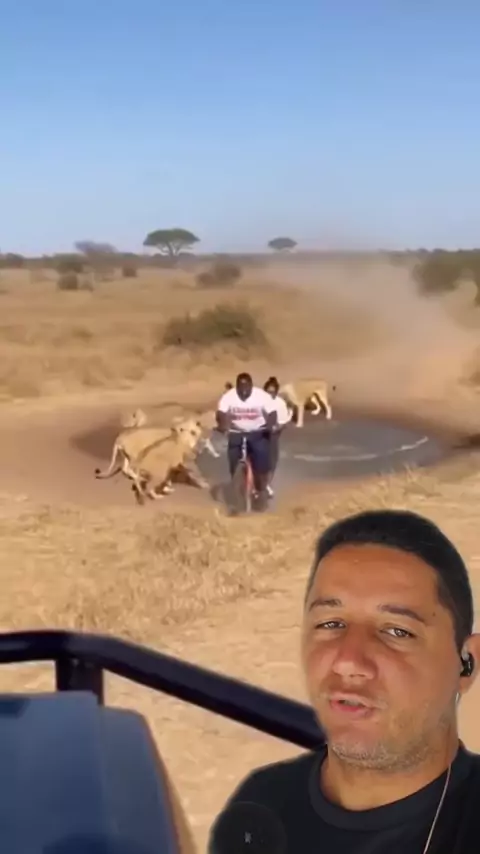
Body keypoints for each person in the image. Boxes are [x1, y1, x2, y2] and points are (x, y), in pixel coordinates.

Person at [208, 509, 480, 853]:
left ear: (466, 664)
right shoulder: (262, 803)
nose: (348, 661)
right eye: (331, 624)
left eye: (397, 631)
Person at [215, 372, 278, 501]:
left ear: (251, 386)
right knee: (233, 461)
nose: (244, 390)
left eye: (246, 387)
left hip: (257, 431)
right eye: (240, 387)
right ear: (236, 386)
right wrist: (222, 425)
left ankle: (261, 487)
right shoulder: (229, 397)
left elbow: (272, 413)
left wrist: (270, 425)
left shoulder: (261, 396)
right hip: (236, 432)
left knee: (261, 462)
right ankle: (237, 485)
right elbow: (221, 413)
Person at [263, 376, 292, 498]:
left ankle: (266, 484)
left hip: (272, 434)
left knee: (272, 461)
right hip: (256, 432)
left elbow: (283, 423)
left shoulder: (280, 404)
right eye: (268, 392)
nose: (270, 394)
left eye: (272, 392)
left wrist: (276, 428)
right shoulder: (257, 401)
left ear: (276, 392)